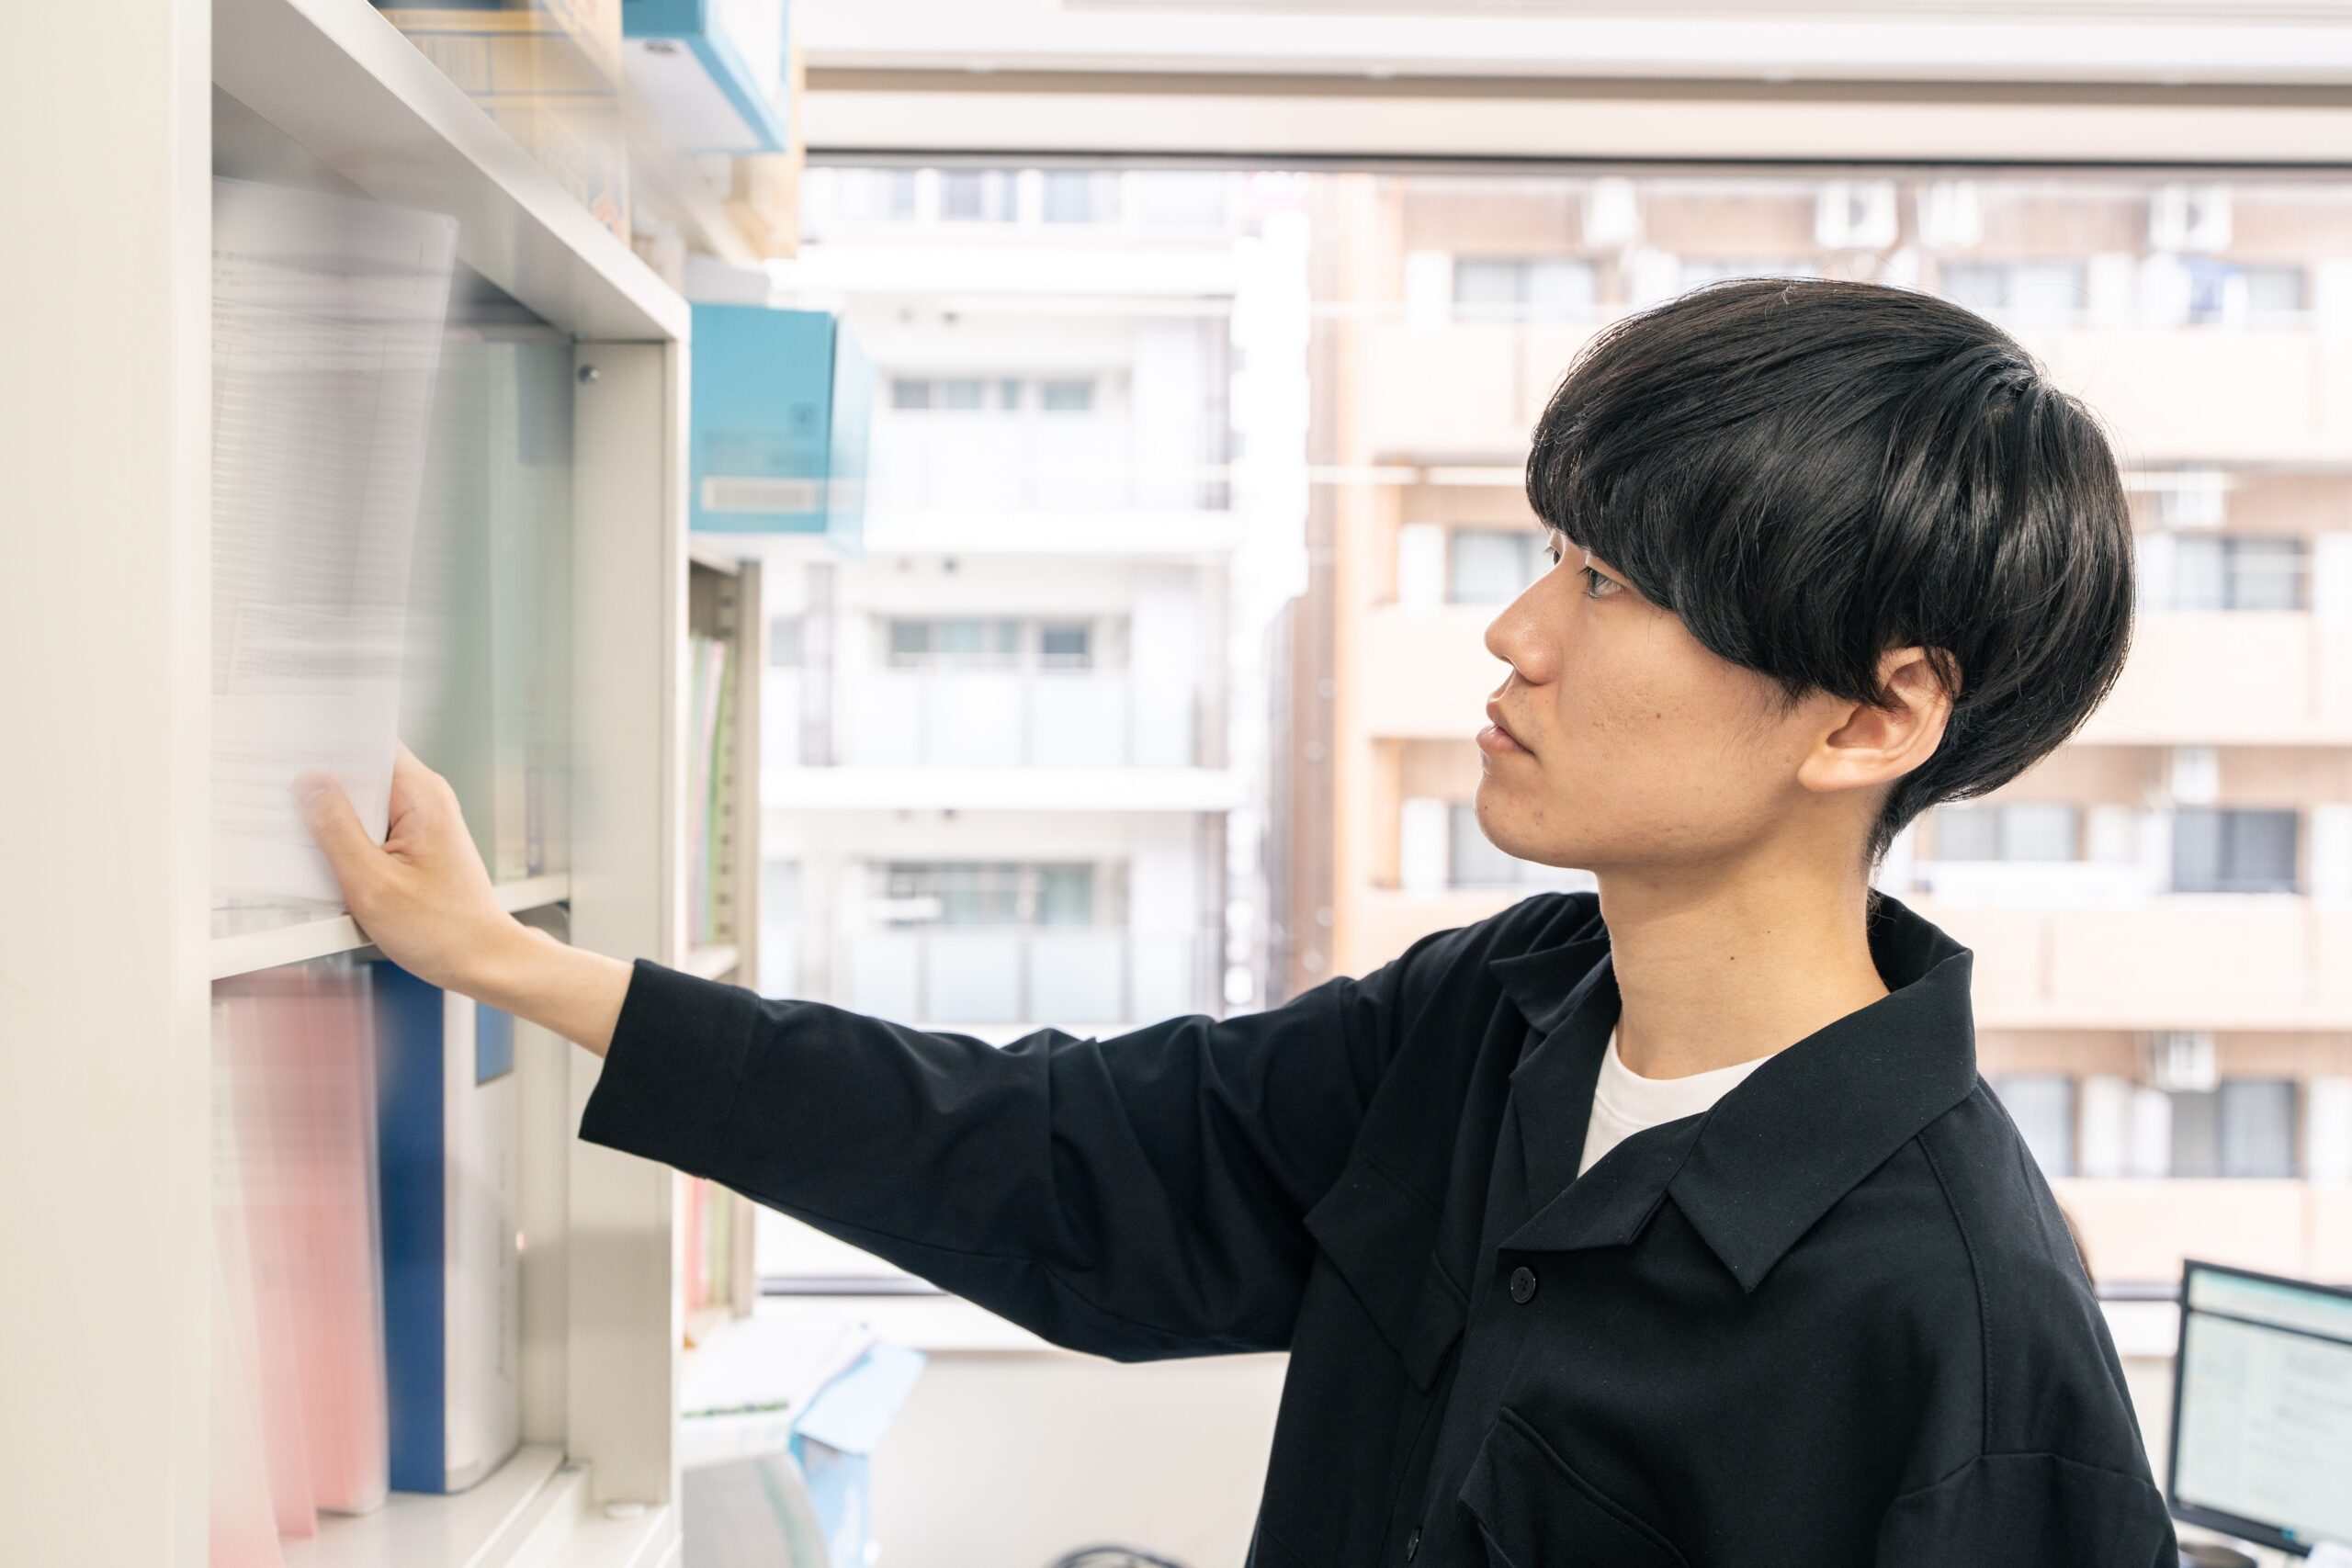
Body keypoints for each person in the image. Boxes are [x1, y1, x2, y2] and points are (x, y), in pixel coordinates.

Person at [297, 276, 2180, 1566]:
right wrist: (508, 960)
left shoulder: (1966, 1335)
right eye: (1552, 554)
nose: (1517, 631)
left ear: (1868, 719)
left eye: (1611, 584)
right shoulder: (1504, 1013)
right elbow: (1065, 1159)